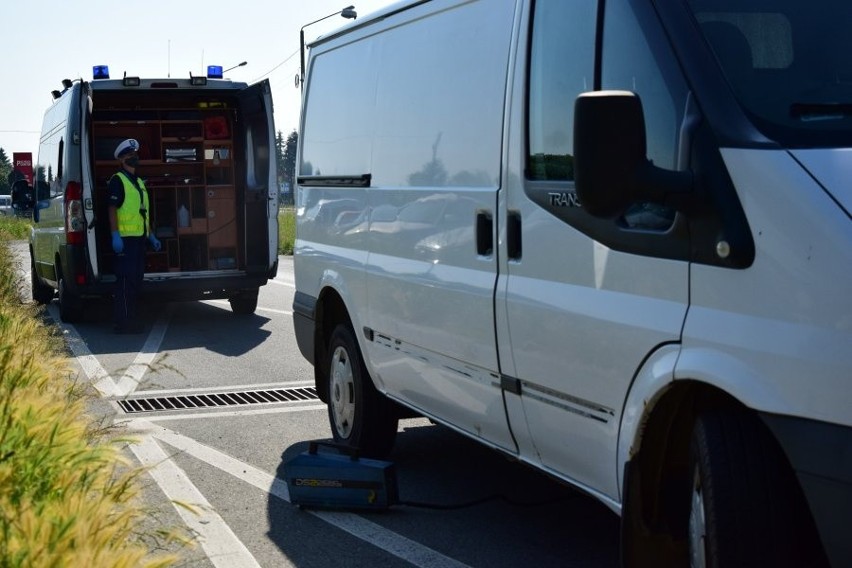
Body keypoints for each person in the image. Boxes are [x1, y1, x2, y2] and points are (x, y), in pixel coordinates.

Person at [108, 138, 161, 334]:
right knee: (124, 283)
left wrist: (151, 236)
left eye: (135, 154)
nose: (134, 158)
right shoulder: (117, 180)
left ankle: (131, 319)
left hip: (139, 239)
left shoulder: (138, 182)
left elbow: (142, 213)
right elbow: (112, 208)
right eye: (130, 155)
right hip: (124, 241)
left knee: (136, 282)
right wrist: (115, 235)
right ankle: (122, 323)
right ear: (121, 159)